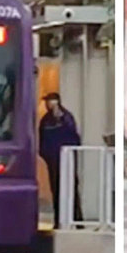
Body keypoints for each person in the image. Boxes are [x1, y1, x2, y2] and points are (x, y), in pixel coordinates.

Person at [39, 92, 83, 228]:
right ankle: (59, 220)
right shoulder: (46, 120)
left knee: (71, 189)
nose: (47, 105)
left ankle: (78, 220)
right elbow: (42, 140)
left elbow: (74, 137)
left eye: (49, 102)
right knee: (56, 190)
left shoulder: (66, 117)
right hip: (53, 161)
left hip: (67, 160)